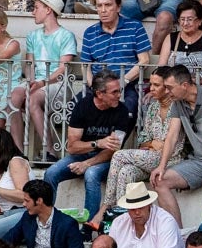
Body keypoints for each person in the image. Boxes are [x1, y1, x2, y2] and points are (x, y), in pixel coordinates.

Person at [89, 68, 179, 229]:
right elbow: (143, 139)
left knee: (118, 156)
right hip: (149, 157)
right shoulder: (153, 107)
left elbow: (171, 144)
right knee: (126, 171)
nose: (151, 88)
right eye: (150, 84)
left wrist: (157, 145)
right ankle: (122, 221)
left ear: (167, 87)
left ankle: (105, 209)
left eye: (156, 85)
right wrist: (152, 143)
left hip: (170, 160)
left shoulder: (178, 108)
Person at [43, 70, 135, 224]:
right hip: (82, 155)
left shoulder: (122, 111)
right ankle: (46, 220)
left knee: (91, 174)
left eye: (119, 90)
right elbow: (72, 147)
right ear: (100, 94)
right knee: (51, 173)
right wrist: (97, 143)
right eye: (114, 92)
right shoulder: (83, 106)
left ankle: (88, 226)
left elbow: (113, 150)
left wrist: (87, 164)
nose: (119, 95)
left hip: (106, 159)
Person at [151, 65, 202, 225]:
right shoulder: (177, 102)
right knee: (160, 180)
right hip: (199, 161)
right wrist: (161, 166)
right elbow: (171, 136)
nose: (167, 92)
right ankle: (177, 234)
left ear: (184, 85)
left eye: (170, 88)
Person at [79, 0, 152, 117]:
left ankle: (116, 138)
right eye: (99, 5)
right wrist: (93, 86)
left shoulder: (134, 27)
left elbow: (145, 60)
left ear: (118, 7)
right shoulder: (90, 32)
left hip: (126, 84)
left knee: (126, 113)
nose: (103, 10)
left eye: (108, 5)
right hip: (98, 86)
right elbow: (86, 66)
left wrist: (122, 82)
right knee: (76, 109)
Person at [22, 0, 79, 157]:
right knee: (13, 97)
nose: (33, 12)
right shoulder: (32, 36)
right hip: (38, 83)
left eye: (37, 7)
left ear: (48, 10)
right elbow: (30, 65)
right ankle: (17, 150)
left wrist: (41, 83)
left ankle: (50, 150)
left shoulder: (66, 36)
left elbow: (62, 68)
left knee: (32, 99)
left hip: (57, 84)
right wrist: (31, 81)